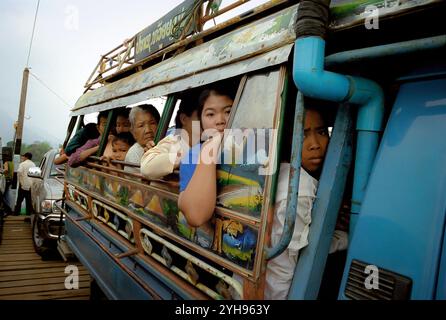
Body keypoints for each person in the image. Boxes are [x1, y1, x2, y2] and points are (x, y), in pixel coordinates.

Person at [178, 87, 234, 227]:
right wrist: (210, 148)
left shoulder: (255, 149)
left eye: (228, 111)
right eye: (210, 114)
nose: (220, 120)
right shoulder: (194, 155)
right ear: (201, 122)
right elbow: (196, 216)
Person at [140, 96, 199, 180]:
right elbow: (147, 167)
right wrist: (190, 156)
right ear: (184, 119)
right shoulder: (173, 142)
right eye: (209, 115)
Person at [124, 104, 160, 173]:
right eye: (141, 125)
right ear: (133, 131)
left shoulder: (165, 145)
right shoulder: (134, 153)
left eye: (152, 123)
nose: (148, 130)